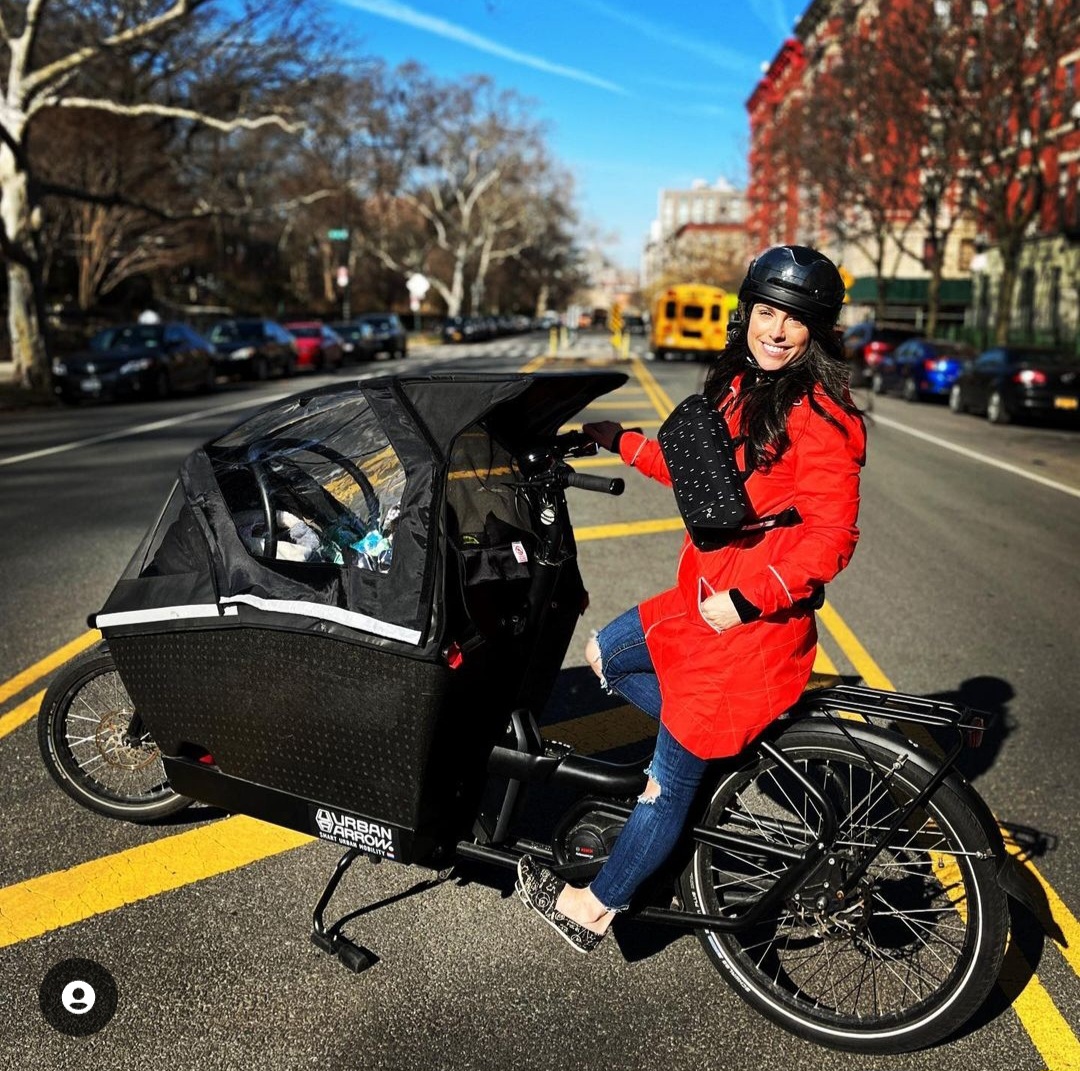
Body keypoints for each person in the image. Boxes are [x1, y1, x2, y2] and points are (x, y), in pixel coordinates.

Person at [515, 245, 867, 953]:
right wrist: (615, 439)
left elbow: (831, 537)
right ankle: (714, 754)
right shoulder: (741, 387)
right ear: (748, 313)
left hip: (745, 627)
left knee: (664, 784)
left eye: (794, 320)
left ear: (818, 332)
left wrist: (751, 597)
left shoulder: (824, 417)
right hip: (696, 602)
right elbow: (696, 473)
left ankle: (596, 906)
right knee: (605, 655)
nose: (775, 329)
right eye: (766, 312)